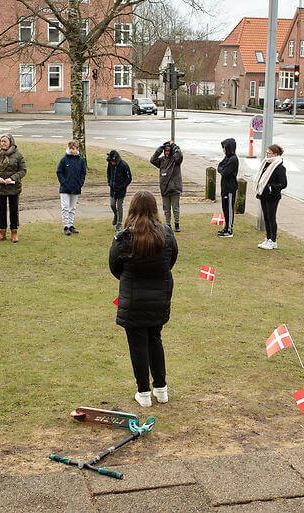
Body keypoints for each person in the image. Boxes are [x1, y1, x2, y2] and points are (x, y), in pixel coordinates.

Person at [109, 191, 178, 407]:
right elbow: (115, 267)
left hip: (137, 297)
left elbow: (115, 266)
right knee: (154, 339)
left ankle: (146, 391)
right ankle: (160, 389)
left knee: (140, 343)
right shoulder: (161, 235)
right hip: (156, 295)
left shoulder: (128, 238)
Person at [0, 134, 27, 243]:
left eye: (5, 141)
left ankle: (14, 233)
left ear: (10, 142)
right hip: (0, 188)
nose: (3, 143)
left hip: (13, 187)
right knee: (1, 211)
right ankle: (2, 233)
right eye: (1, 141)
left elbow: (23, 170)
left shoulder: (18, 155)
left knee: (14, 211)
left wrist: (12, 178)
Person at [254, 144, 287, 250]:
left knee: (271, 217)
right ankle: (268, 238)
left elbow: (283, 184)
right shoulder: (266, 163)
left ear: (276, 154)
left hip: (273, 196)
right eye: (267, 152)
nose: (267, 155)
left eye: (269, 153)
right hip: (263, 194)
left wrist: (270, 187)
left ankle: (273, 240)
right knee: (266, 217)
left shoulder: (279, 167)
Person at [150, 141, 183, 232]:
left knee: (175, 208)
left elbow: (179, 154)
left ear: (171, 151)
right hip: (164, 188)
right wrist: (160, 148)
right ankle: (168, 225)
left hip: (175, 188)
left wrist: (174, 145)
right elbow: (152, 160)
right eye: (165, 151)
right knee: (166, 209)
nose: (167, 152)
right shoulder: (161, 160)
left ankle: (177, 224)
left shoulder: (176, 160)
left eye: (169, 151)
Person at [57, 140, 87, 236]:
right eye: (70, 148)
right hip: (65, 188)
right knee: (65, 207)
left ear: (77, 149)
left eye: (73, 148)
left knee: (72, 207)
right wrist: (63, 182)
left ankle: (71, 224)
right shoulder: (64, 160)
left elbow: (83, 172)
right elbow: (59, 172)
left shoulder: (81, 161)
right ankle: (66, 226)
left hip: (76, 187)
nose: (71, 150)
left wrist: (80, 183)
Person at [217, 138, 238, 238]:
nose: (224, 150)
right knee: (225, 208)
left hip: (230, 188)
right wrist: (221, 169)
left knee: (229, 208)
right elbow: (219, 167)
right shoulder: (227, 158)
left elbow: (224, 172)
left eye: (225, 148)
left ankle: (229, 229)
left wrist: (222, 169)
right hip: (224, 187)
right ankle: (226, 227)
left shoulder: (233, 159)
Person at [106, 149, 132, 233]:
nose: (112, 163)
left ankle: (119, 224)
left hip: (121, 190)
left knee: (119, 206)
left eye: (113, 161)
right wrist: (109, 182)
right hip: (112, 189)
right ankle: (116, 215)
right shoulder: (110, 164)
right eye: (110, 161)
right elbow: (108, 173)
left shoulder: (124, 165)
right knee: (112, 204)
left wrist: (122, 186)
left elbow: (129, 178)